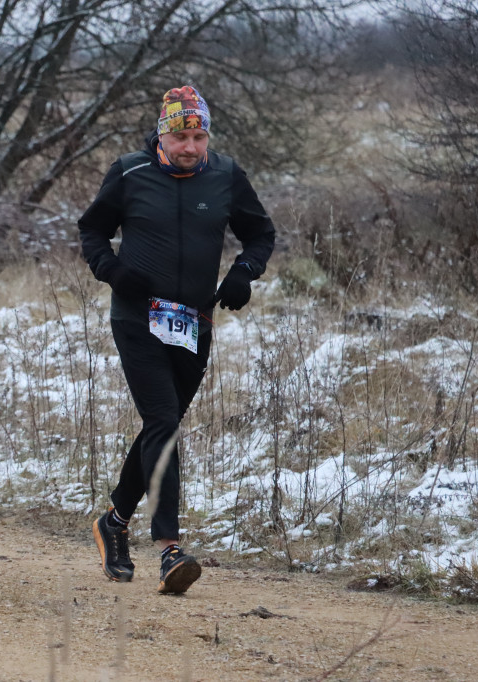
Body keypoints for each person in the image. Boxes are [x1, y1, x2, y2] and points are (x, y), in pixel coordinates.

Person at [79, 85, 275, 594]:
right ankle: (169, 549)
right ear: (161, 134)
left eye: (198, 135)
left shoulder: (227, 174)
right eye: (179, 135)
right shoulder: (130, 171)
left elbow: (261, 234)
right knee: (163, 421)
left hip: (193, 324)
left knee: (158, 427)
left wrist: (243, 273)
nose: (190, 146)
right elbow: (93, 231)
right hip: (137, 318)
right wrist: (113, 271)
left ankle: (113, 522)